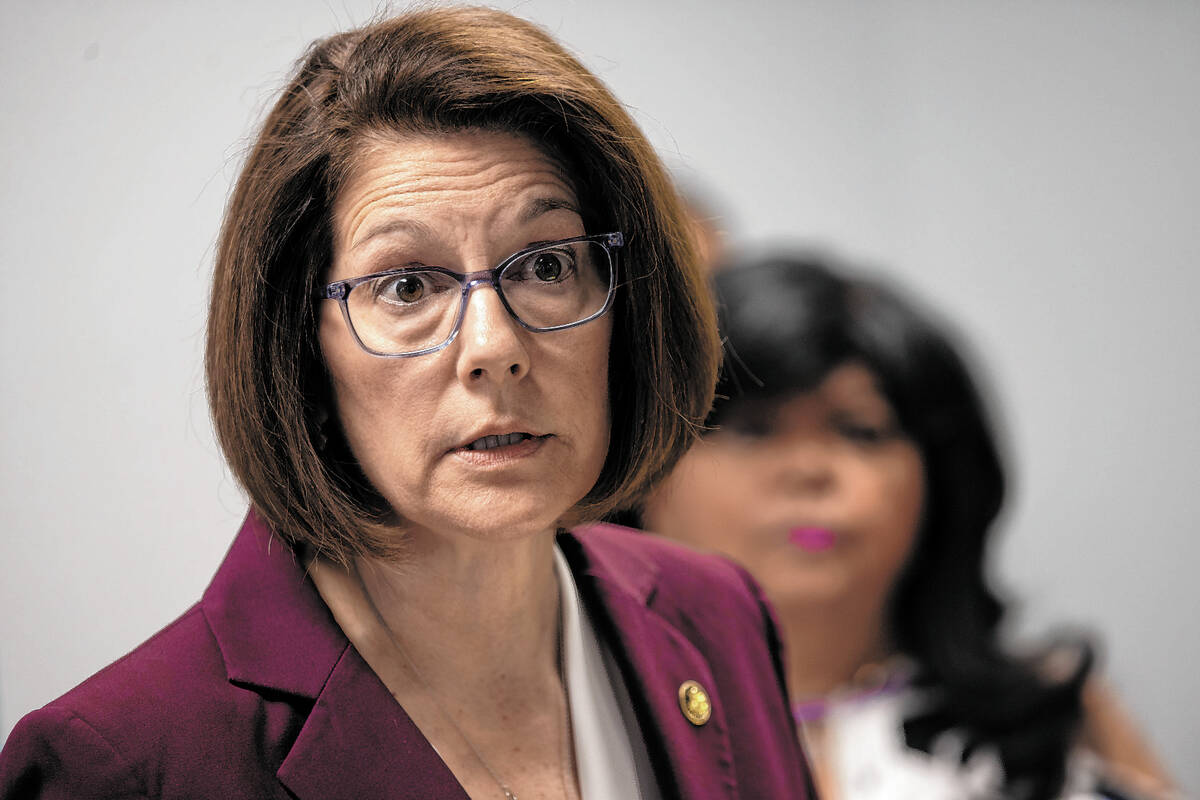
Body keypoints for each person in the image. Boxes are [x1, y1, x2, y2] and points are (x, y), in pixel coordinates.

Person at [0, 10, 814, 799]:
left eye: (544, 266)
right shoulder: (125, 763)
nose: (495, 346)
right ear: (301, 352)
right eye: (407, 285)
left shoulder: (718, 617)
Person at [640, 254, 1178, 800]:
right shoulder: (594, 708)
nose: (809, 470)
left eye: (861, 432)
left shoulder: (1048, 727)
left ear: (942, 480)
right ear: (645, 471)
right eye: (753, 430)